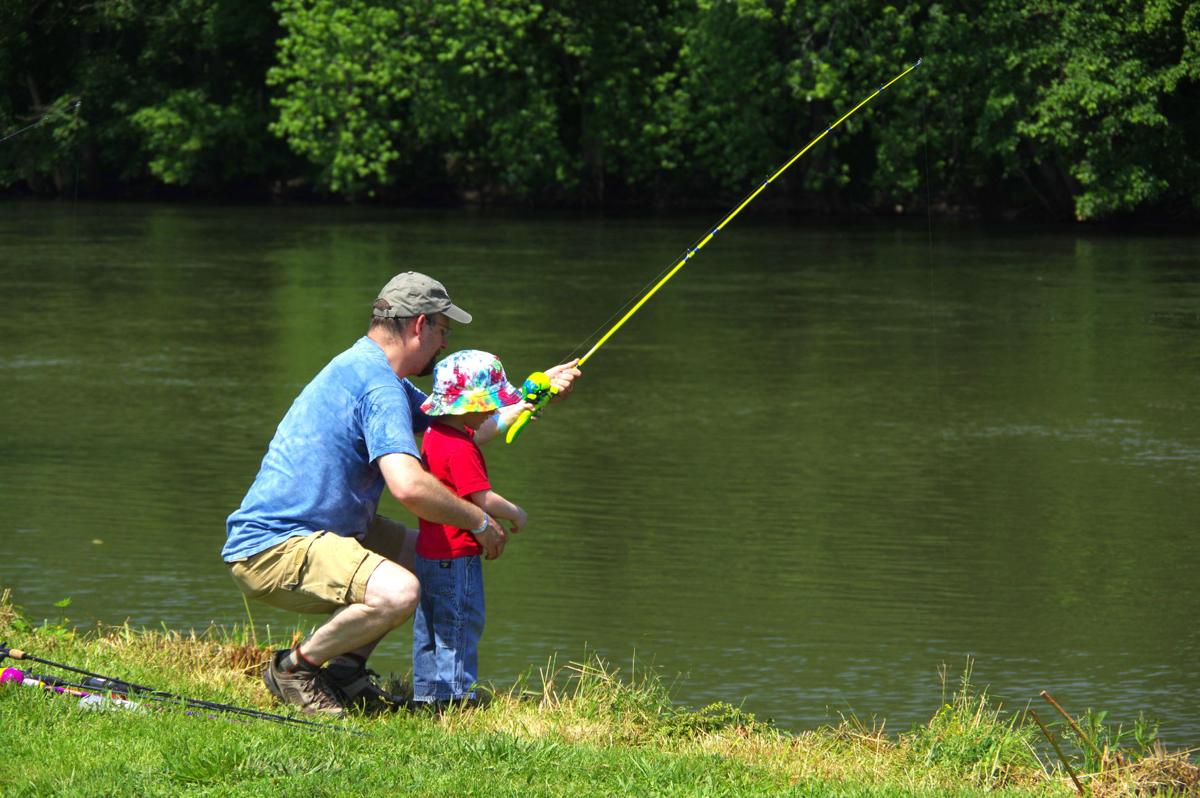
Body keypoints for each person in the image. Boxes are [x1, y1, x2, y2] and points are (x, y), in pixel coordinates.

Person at [221, 271, 579, 715]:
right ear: (419, 325)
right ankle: (295, 668)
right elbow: (408, 487)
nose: (444, 343)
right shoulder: (379, 387)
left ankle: (344, 673)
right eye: (443, 330)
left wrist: (531, 397)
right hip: (274, 547)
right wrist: (480, 521)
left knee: (426, 557)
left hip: (327, 534)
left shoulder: (369, 367)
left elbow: (463, 425)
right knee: (398, 592)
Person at [411, 350, 529, 708]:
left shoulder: (434, 434)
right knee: (460, 624)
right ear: (467, 406)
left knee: (429, 629)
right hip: (457, 555)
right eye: (489, 405)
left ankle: (427, 695)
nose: (493, 411)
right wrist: (515, 512)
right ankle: (457, 700)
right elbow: (482, 497)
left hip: (429, 551)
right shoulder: (462, 447)